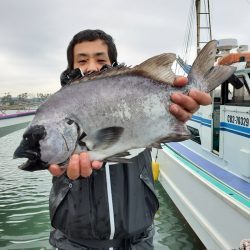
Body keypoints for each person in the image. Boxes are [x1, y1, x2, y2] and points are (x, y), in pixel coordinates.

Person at [48, 29, 211, 250]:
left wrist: (176, 110)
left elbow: (167, 131)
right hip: (74, 242)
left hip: (138, 240)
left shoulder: (134, 98)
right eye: (82, 60)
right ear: (71, 67)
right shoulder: (55, 116)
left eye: (100, 59)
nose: (92, 66)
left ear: (113, 64)